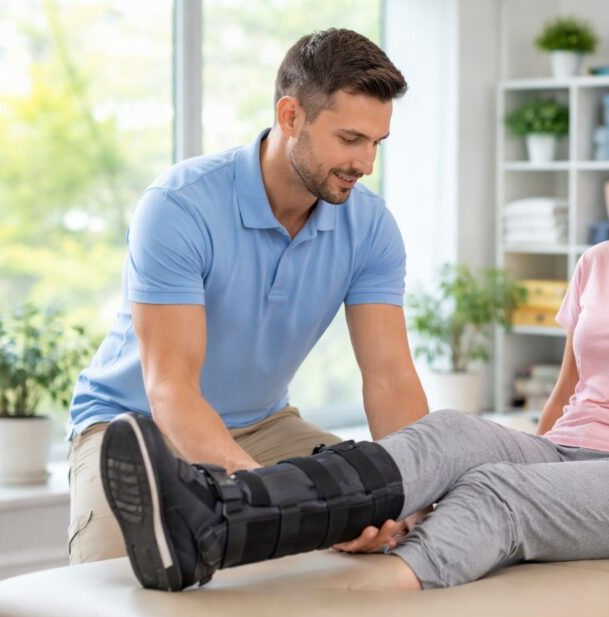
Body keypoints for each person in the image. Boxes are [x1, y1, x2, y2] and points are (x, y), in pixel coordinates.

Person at [99, 87, 609, 593]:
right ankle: (217, 512)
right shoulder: (599, 262)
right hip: (571, 451)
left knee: (494, 492)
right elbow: (567, 390)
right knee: (450, 438)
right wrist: (525, 450)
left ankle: (359, 592)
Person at [66, 29, 428, 565]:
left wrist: (412, 492)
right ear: (290, 117)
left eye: (377, 143)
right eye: (351, 139)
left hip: (266, 426)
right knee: (111, 596)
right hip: (134, 428)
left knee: (379, 512)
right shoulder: (180, 206)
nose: (366, 163)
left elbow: (390, 376)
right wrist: (280, 500)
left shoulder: (371, 225)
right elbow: (171, 388)